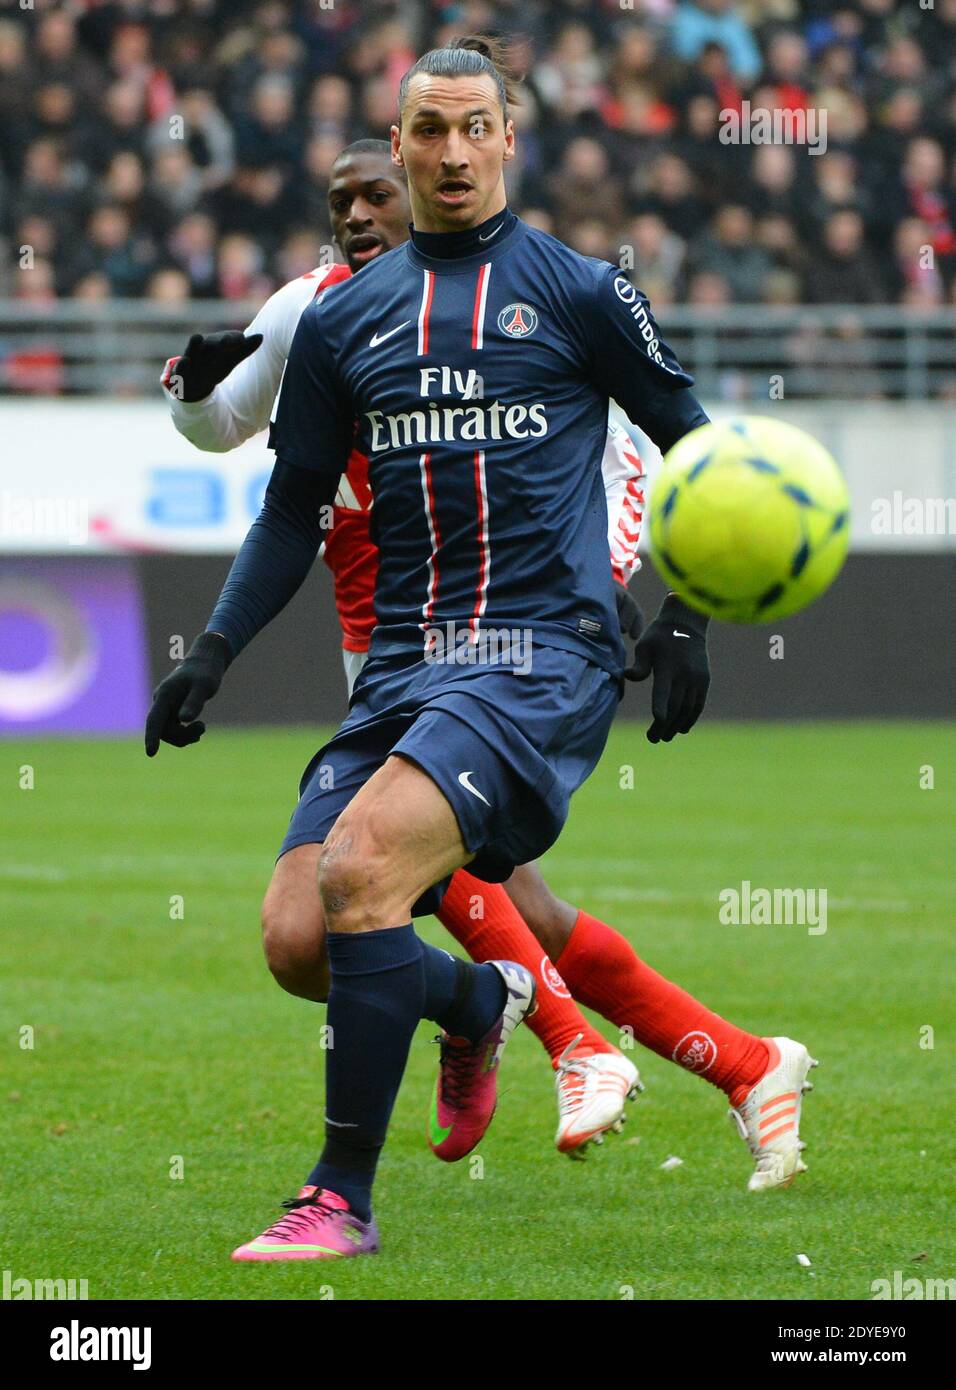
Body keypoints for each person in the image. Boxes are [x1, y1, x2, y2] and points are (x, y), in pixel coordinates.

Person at [151, 38, 816, 1262]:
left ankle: (337, 1197)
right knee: (302, 939)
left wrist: (686, 615)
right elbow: (292, 506)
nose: (449, 153)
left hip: (535, 654)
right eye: (426, 131)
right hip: (402, 665)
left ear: (509, 139)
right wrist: (217, 652)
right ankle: (480, 1000)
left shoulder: (576, 290)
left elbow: (703, 451)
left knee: (361, 871)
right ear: (397, 146)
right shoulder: (344, 317)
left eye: (472, 128)